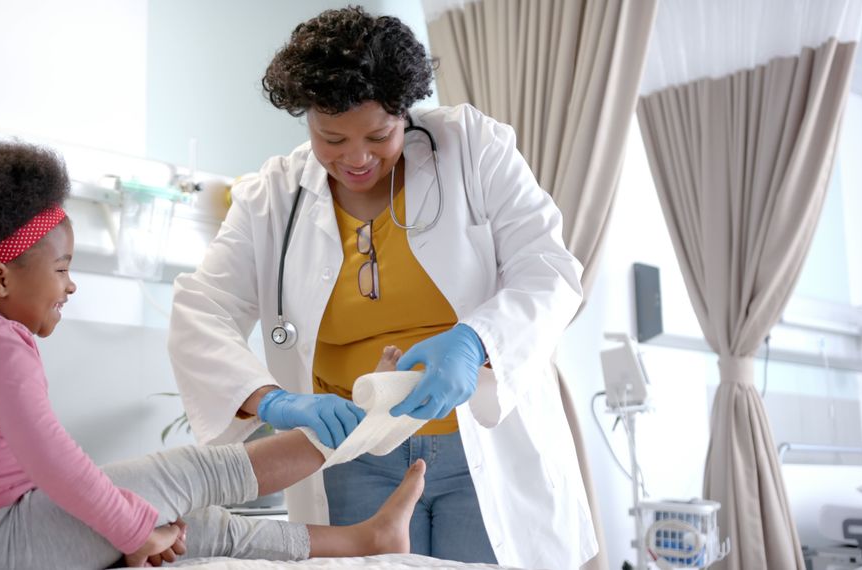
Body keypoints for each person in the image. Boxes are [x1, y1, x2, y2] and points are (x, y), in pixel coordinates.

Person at [167, 6, 597, 569]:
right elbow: (203, 307)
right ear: (306, 118)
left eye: (379, 134)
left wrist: (474, 342)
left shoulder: (473, 149)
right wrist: (270, 398)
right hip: (355, 453)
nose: (357, 158)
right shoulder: (272, 197)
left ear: (405, 112)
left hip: (483, 442)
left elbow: (549, 268)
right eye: (331, 137)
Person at [0, 137, 428, 569]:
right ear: (1, 279)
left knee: (186, 518)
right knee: (186, 476)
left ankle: (365, 539)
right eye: (62, 269)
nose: (70, 286)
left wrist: (137, 525)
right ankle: (364, 421)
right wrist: (131, 528)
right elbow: (50, 457)